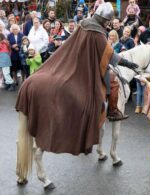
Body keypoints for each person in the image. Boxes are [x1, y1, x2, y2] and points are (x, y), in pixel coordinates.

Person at [15, 2, 138, 155]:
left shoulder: (84, 24)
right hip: (87, 67)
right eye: (107, 21)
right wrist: (127, 63)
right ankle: (111, 110)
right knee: (112, 81)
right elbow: (110, 56)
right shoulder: (97, 32)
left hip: (74, 61)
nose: (107, 24)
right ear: (102, 19)